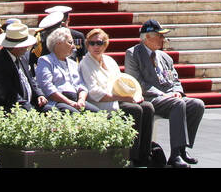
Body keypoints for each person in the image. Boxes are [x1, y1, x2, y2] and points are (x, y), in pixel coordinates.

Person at [125, 19, 203, 167]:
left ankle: (182, 148)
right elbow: (137, 83)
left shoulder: (165, 57)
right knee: (177, 104)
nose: (163, 39)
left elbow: (175, 80)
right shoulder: (133, 54)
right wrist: (164, 95)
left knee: (197, 105)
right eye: (159, 36)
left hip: (170, 96)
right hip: (150, 98)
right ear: (147, 37)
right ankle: (175, 155)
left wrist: (177, 91)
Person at [80, 27, 155, 166]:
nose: (96, 46)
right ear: (87, 44)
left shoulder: (110, 61)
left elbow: (121, 82)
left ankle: (145, 153)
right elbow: (94, 92)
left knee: (148, 107)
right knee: (135, 110)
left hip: (119, 98)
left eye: (100, 43)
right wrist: (123, 98)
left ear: (105, 44)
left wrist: (134, 95)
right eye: (92, 43)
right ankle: (131, 156)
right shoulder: (85, 63)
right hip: (103, 103)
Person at [0, 22, 46, 115]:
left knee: (50, 110)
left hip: (26, 104)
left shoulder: (22, 56)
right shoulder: (0, 62)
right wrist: (32, 111)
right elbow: (10, 96)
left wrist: (39, 94)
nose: (27, 48)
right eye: (24, 45)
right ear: (16, 47)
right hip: (7, 109)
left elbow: (30, 80)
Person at [35, 28, 89, 111]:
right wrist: (70, 103)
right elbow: (48, 88)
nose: (74, 47)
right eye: (70, 43)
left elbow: (81, 85)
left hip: (76, 100)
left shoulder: (73, 64)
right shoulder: (45, 60)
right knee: (74, 114)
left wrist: (81, 100)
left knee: (100, 114)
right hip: (58, 102)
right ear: (58, 43)